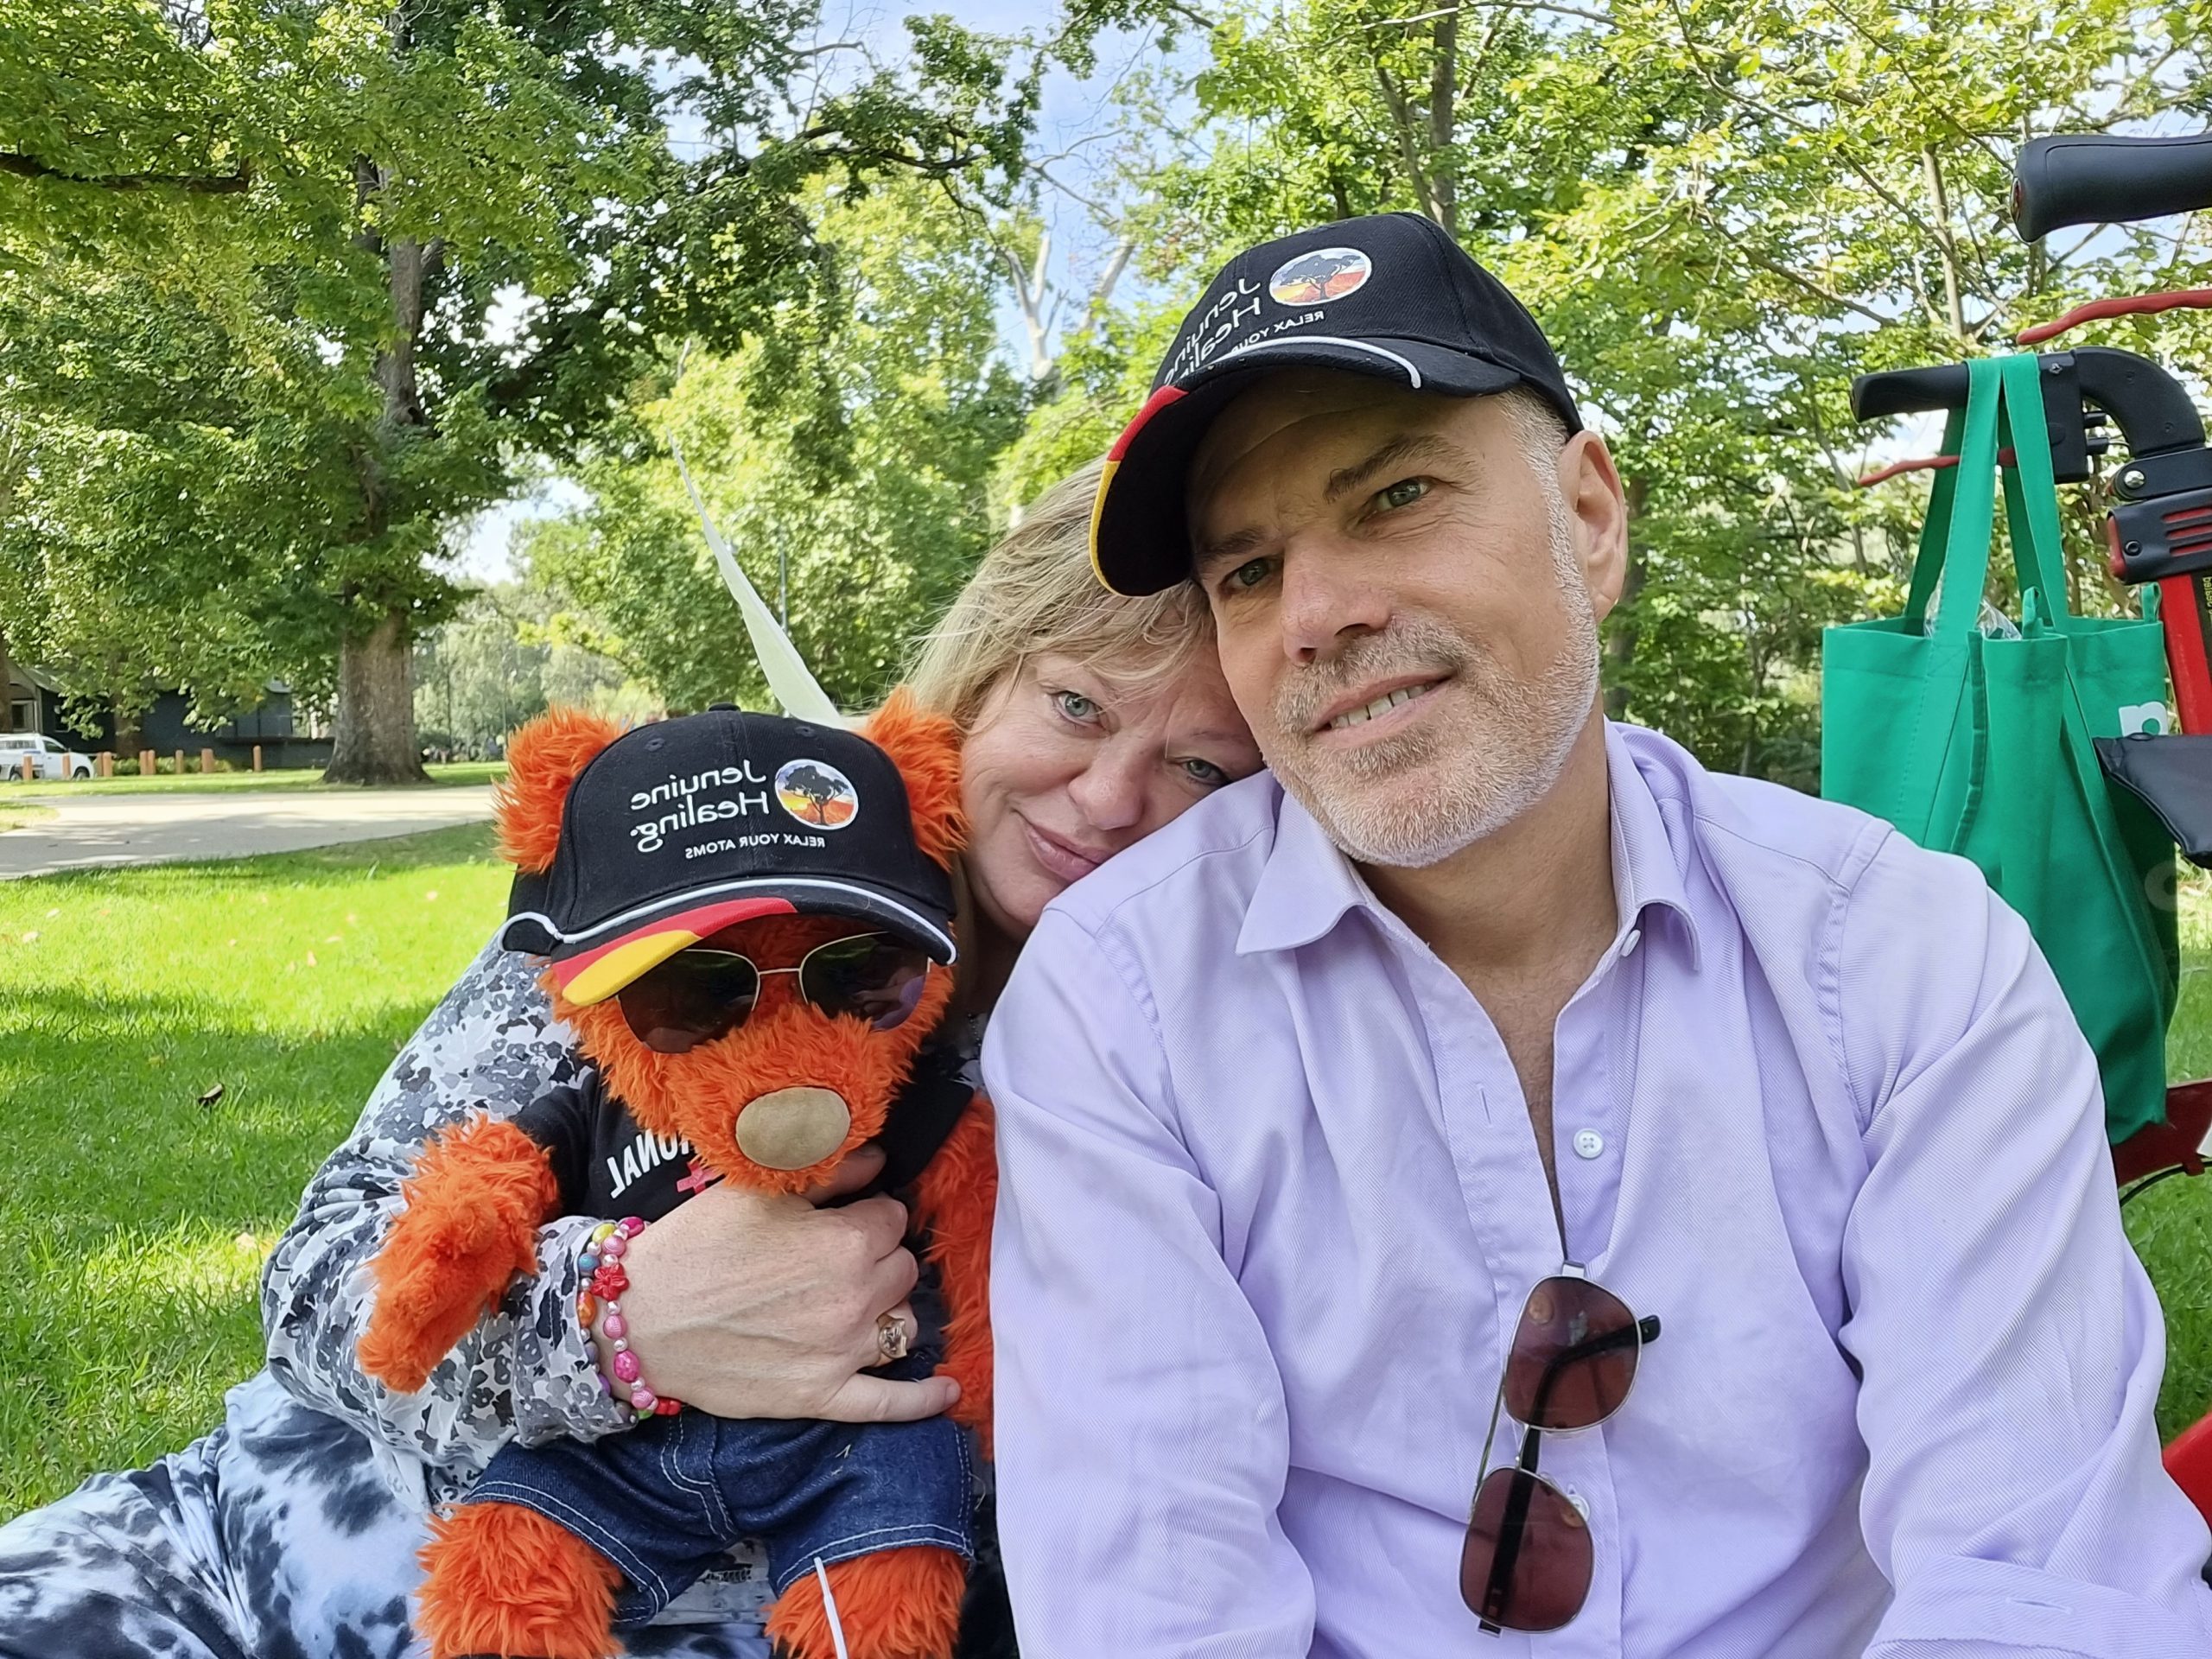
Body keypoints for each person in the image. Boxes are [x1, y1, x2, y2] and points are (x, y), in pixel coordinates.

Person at [983, 211, 2212, 1656]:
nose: (1315, 612)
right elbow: (1154, 1598)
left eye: (1395, 496)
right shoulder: (1122, 1001)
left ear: (1590, 516)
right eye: (1245, 571)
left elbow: (2038, 1582)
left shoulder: (1900, 959)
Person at [0, 460, 1262, 1659]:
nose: (1108, 799)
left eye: (1201, 764)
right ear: (980, 681)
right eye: (1075, 706)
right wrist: (620, 1320)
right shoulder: (705, 867)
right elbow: (321, 1288)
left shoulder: (1201, 1063)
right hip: (238, 1563)